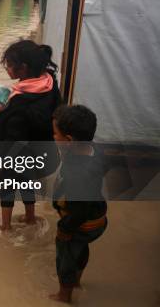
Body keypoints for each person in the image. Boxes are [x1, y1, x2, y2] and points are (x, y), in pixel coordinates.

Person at [0, 39, 62, 230]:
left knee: (8, 189)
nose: (6, 68)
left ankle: (5, 226)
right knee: (28, 184)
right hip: (40, 153)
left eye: (9, 65)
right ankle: (30, 218)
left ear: (24, 68)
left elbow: (10, 136)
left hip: (16, 155)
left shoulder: (19, 102)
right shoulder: (49, 82)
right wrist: (7, 100)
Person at [50, 104, 107, 303]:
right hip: (97, 217)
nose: (53, 137)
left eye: (55, 134)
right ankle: (77, 282)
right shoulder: (94, 150)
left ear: (69, 141)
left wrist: (63, 228)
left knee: (65, 258)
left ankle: (63, 295)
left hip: (79, 224)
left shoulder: (77, 174)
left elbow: (79, 211)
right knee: (81, 249)